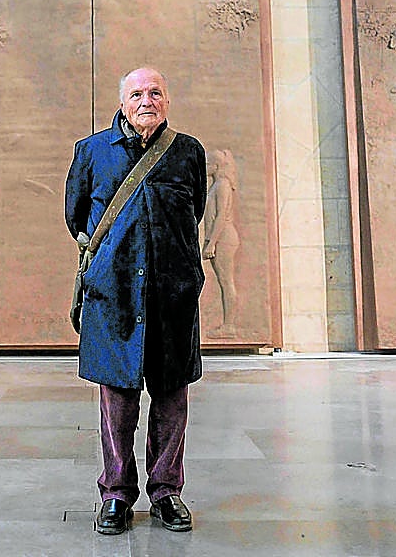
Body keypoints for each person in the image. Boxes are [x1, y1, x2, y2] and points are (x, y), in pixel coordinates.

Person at [65, 67, 207, 536]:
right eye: (137, 93)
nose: (147, 100)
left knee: (171, 400)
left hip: (172, 297)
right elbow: (76, 218)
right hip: (114, 299)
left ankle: (167, 492)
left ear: (167, 101)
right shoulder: (91, 153)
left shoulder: (188, 153)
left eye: (156, 92)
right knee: (116, 404)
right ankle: (116, 495)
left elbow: (196, 212)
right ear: (123, 102)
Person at [203, 148, 240, 339]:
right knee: (223, 281)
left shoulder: (223, 186)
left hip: (224, 238)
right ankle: (227, 324)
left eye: (208, 164)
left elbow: (221, 218)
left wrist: (211, 244)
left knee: (226, 281)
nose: (205, 168)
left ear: (216, 166)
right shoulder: (216, 185)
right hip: (219, 238)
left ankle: (229, 326)